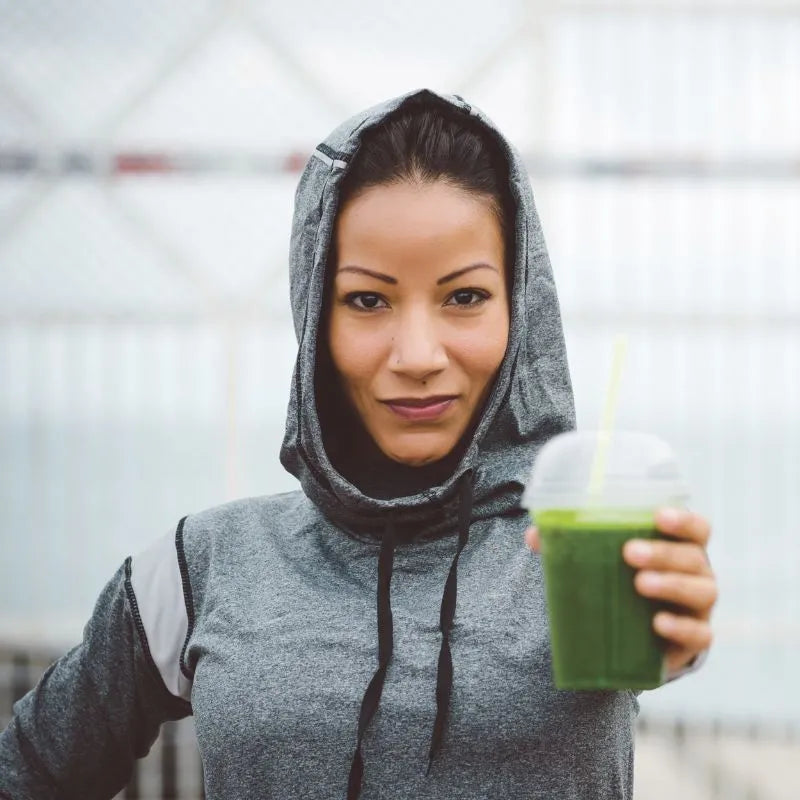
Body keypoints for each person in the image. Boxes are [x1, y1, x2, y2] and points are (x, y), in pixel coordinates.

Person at [0, 88, 717, 799]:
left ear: (519, 307)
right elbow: (30, 769)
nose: (416, 354)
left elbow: (659, 648)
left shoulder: (577, 551)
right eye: (368, 300)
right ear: (317, 318)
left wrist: (670, 628)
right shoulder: (198, 570)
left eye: (463, 296)